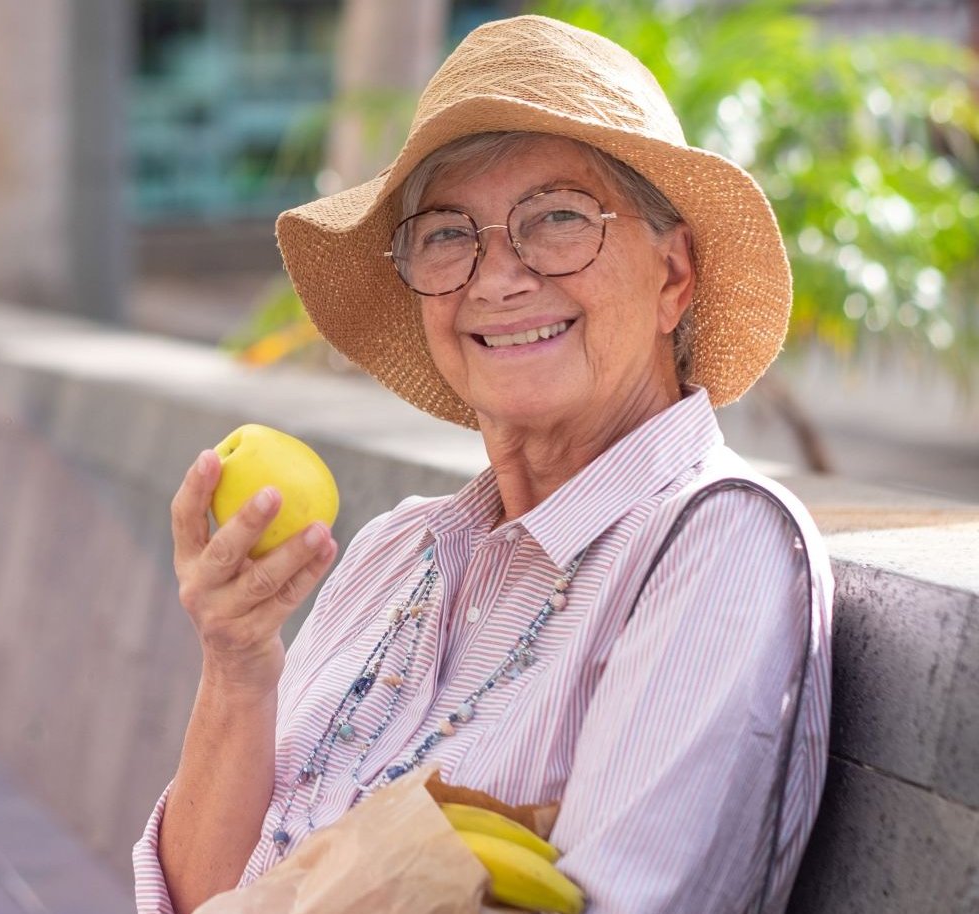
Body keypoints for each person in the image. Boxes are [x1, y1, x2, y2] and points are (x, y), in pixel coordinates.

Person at [137, 17, 832, 914]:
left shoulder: (716, 545)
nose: (496, 277)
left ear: (673, 276)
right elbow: (191, 897)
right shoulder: (395, 549)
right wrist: (236, 666)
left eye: (557, 220)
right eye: (448, 235)